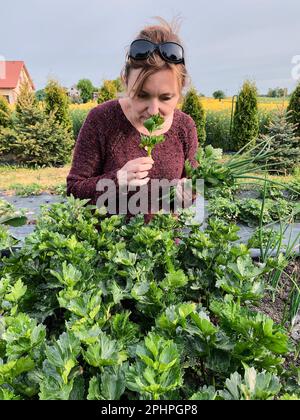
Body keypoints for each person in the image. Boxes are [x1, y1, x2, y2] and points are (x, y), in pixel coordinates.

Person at [66, 17, 199, 223]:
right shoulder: (102, 119)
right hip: (108, 247)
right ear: (126, 81)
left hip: (165, 248)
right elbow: (74, 190)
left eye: (166, 98)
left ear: (180, 91)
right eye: (142, 95)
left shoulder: (185, 127)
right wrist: (117, 179)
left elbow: (191, 192)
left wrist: (186, 193)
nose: (154, 111)